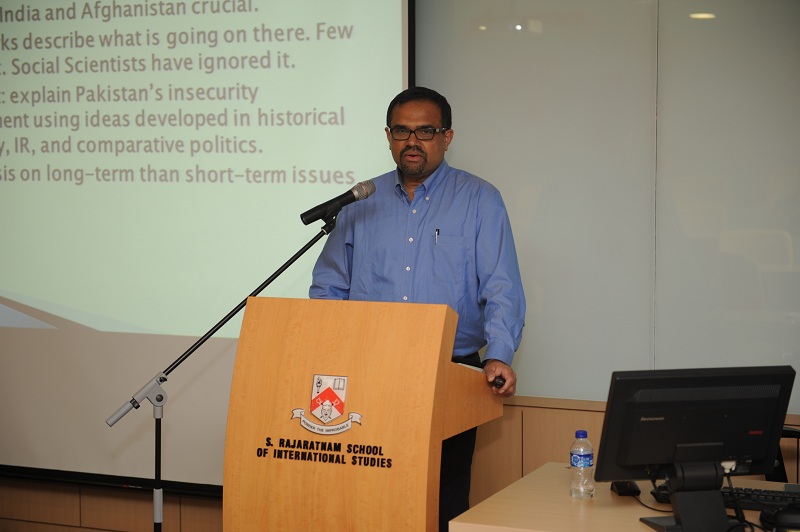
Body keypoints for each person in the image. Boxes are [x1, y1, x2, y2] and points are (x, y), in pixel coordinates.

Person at [309, 86, 526, 531]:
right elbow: (329, 286)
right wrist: (333, 354)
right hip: (369, 371)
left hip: (450, 371)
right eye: (402, 131)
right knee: (368, 492)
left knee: (443, 496)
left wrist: (500, 353)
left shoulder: (479, 199)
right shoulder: (360, 202)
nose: (412, 141)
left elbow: (502, 286)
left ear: (447, 137)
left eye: (425, 131)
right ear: (388, 136)